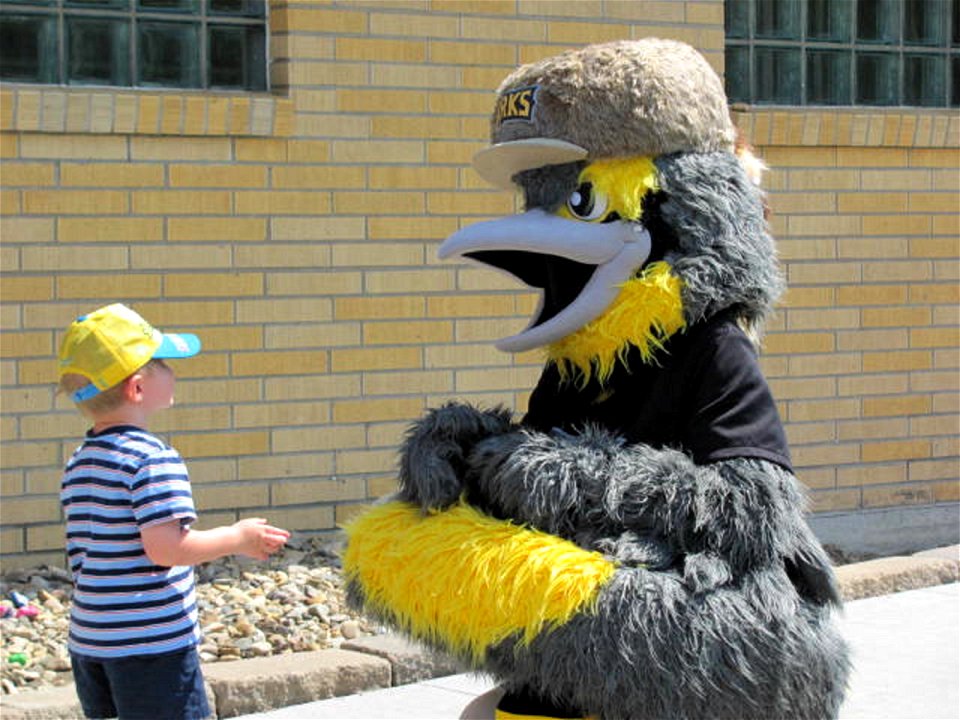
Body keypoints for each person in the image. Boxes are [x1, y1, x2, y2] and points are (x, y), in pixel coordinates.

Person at [57, 303, 290, 720]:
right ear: (137, 388)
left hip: (92, 640)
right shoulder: (153, 459)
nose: (173, 370)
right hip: (149, 644)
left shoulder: (80, 459)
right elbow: (166, 548)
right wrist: (238, 537)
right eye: (162, 363)